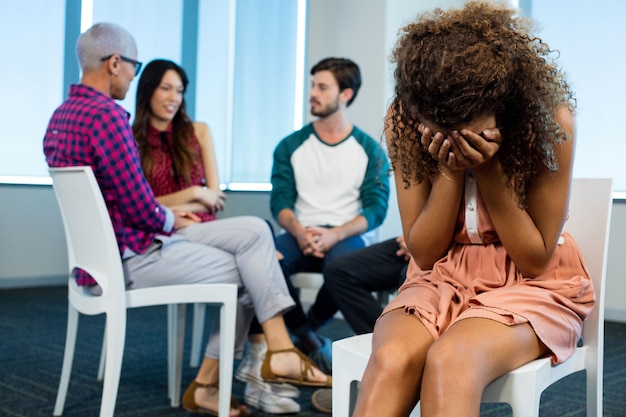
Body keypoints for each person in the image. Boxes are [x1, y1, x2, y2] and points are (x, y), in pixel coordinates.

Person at [43, 23, 330, 417]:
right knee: (253, 266)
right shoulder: (108, 117)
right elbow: (141, 209)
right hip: (132, 256)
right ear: (114, 63)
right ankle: (235, 373)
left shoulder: (60, 117)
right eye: (132, 66)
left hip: (104, 257)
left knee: (254, 232)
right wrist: (170, 218)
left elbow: (127, 202)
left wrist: (167, 215)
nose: (132, 74)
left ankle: (271, 354)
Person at [352, 3, 595, 417]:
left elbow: (535, 259)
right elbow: (425, 253)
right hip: (441, 274)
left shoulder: (550, 122)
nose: (454, 135)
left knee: (452, 359)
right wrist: (449, 170)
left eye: (468, 127)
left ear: (503, 102)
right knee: (392, 358)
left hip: (532, 283)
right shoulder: (405, 121)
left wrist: (488, 168)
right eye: (441, 128)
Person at [132, 58, 301, 414]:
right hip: (166, 232)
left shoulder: (199, 131)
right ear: (147, 91)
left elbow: (215, 195)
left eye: (179, 90)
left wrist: (197, 197)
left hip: (206, 228)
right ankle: (265, 360)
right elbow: (140, 204)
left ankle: (261, 360)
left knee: (261, 238)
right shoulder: (131, 139)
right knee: (261, 255)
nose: (173, 97)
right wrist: (191, 193)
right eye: (166, 88)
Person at [269, 57, 390, 373]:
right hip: (301, 232)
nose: (313, 93)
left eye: (322, 87)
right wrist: (298, 231)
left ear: (345, 95)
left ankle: (307, 327)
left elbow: (376, 209)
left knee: (343, 267)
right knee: (266, 261)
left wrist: (335, 234)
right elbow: (280, 200)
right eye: (313, 86)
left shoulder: (370, 149)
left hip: (344, 235)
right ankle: (307, 338)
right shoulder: (290, 146)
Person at [324, 236, 409, 335]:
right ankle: (382, 336)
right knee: (338, 272)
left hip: (428, 251)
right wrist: (411, 237)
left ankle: (402, 341)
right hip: (412, 240)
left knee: (410, 278)